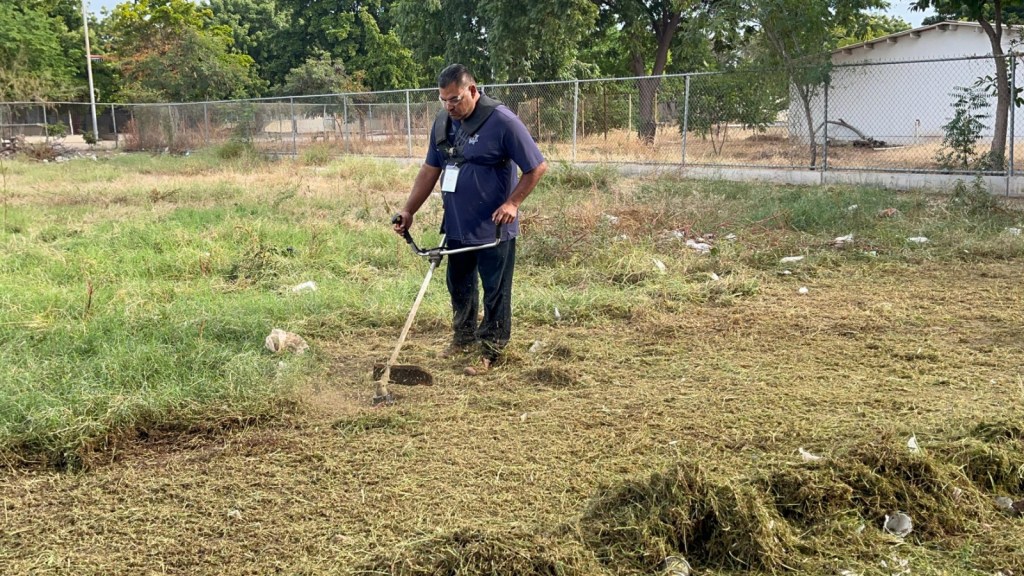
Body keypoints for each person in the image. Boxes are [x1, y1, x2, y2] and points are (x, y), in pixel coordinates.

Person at [392, 63, 547, 375]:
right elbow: (429, 170)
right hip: (457, 225)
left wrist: (513, 203)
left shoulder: (502, 121)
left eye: (456, 99)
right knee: (459, 285)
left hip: (494, 228)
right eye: (444, 100)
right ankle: (463, 338)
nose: (450, 106)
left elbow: (537, 167)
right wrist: (409, 210)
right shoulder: (443, 123)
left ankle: (491, 350)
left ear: (473, 91)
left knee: (495, 290)